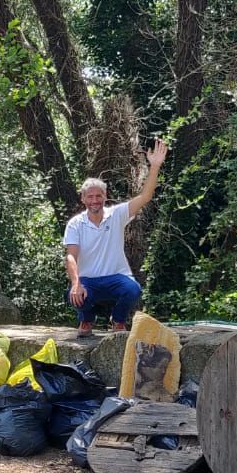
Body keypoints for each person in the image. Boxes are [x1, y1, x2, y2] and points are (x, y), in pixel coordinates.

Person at [63, 140, 167, 335]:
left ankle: (118, 321)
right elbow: (71, 256)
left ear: (105, 196)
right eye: (90, 197)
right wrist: (76, 283)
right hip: (88, 280)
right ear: (83, 199)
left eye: (98, 196)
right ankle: (86, 321)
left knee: (133, 289)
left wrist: (155, 166)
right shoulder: (76, 223)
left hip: (115, 277)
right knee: (74, 295)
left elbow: (145, 197)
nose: (95, 200)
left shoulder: (117, 214)